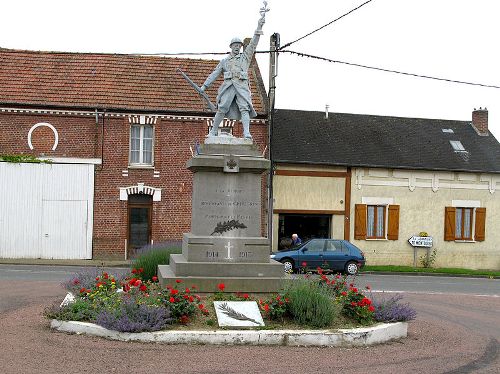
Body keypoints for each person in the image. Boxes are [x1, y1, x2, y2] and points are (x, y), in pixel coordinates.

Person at [200, 3, 268, 139]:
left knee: (245, 108)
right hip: (229, 86)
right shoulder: (225, 61)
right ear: (231, 47)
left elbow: (254, 43)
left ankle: (247, 133)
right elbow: (215, 73)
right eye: (235, 45)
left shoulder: (245, 57)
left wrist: (259, 26)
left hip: (241, 86)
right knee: (222, 107)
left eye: (239, 45)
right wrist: (205, 86)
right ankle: (213, 131)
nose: (237, 47)